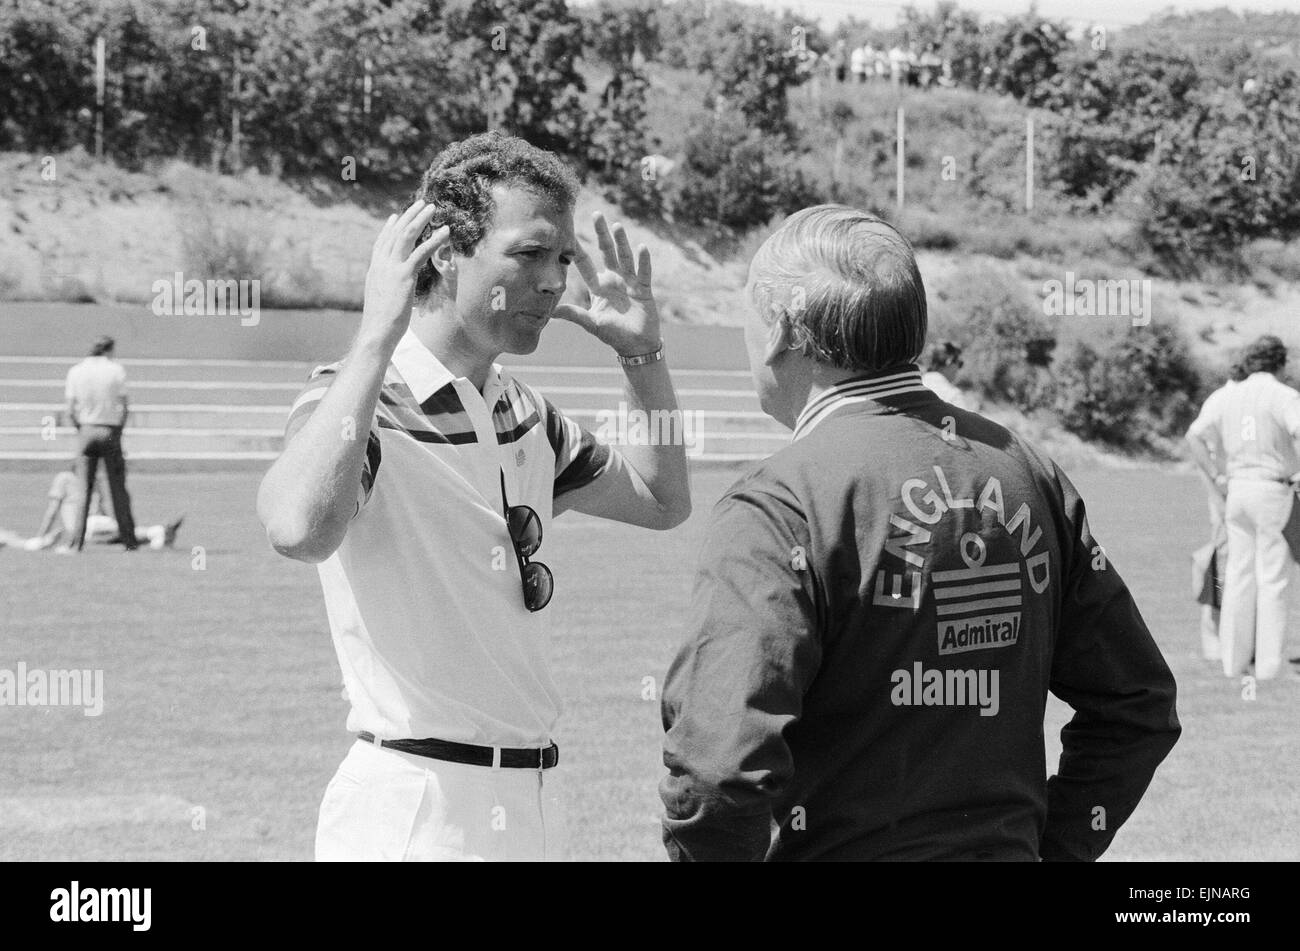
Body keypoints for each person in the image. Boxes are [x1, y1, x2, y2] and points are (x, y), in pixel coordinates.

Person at [659, 204, 1180, 861]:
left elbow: (714, 774)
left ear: (782, 330)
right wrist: (1054, 848)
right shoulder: (1027, 471)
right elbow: (1138, 703)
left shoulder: (778, 502)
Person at [258, 132, 691, 862]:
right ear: (444, 251)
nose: (555, 282)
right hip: (419, 807)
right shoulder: (369, 397)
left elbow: (662, 499)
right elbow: (297, 527)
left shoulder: (522, 410)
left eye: (561, 257)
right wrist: (374, 334)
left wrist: (641, 356)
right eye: (529, 254)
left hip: (535, 799)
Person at [1186, 335, 1300, 681]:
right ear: (1280, 364)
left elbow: (1194, 435)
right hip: (1272, 488)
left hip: (1237, 490)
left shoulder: (1227, 394)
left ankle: (1232, 663)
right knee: (1273, 579)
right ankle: (1267, 668)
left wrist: (1217, 476)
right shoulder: (1284, 395)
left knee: (1237, 576)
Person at [1186, 362, 1246, 661]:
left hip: (1245, 493)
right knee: (1222, 559)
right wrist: (1216, 477)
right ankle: (1214, 635)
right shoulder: (1224, 399)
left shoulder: (1244, 398)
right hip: (1226, 495)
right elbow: (1193, 436)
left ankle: (1236, 639)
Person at [64, 336, 139, 552]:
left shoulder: (76, 371)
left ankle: (76, 542)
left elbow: (70, 410)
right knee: (118, 489)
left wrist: (82, 430)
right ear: (110, 349)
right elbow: (124, 407)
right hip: (109, 429)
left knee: (83, 490)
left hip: (86, 428)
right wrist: (117, 431)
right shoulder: (115, 370)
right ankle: (129, 540)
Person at [37, 463, 182, 552]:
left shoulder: (63, 478)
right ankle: (158, 534)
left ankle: (158, 534)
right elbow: (99, 506)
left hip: (86, 526)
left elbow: (52, 510)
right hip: (97, 523)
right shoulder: (93, 479)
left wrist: (40, 536)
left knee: (123, 535)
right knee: (124, 537)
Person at [921, 340, 970, 409]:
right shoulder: (953, 395)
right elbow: (965, 419)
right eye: (960, 364)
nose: (958, 370)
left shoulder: (915, 385)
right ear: (949, 361)